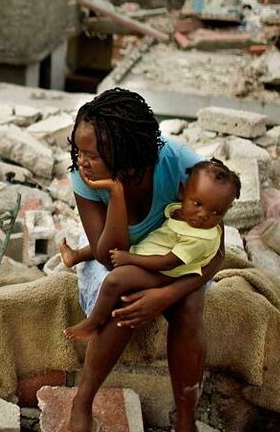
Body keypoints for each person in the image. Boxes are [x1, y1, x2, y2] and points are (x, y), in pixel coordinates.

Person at [59, 88, 223, 432]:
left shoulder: (183, 166)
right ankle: (83, 401)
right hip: (118, 254)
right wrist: (115, 194)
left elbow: (215, 250)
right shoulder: (84, 176)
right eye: (78, 150)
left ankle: (186, 418)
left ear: (126, 153)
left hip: (172, 255)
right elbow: (107, 257)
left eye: (92, 154)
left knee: (189, 308)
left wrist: (165, 296)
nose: (82, 161)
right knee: (121, 295)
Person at [61, 159, 241, 341]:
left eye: (216, 212)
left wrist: (130, 258)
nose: (203, 215)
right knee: (109, 245)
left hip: (165, 272)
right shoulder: (181, 212)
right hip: (152, 250)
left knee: (114, 281)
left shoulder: (201, 238)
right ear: (182, 192)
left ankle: (92, 323)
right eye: (197, 204)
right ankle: (76, 256)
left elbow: (167, 262)